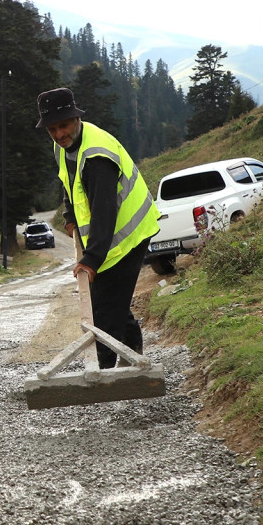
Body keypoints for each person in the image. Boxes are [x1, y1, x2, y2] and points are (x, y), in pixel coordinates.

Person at [37, 87, 160, 369]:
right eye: (52, 129)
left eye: (64, 126)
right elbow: (70, 184)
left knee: (102, 308)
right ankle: (133, 357)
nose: (58, 134)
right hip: (107, 238)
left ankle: (102, 373)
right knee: (110, 300)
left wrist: (91, 260)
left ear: (76, 118)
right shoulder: (63, 146)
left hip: (129, 233)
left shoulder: (97, 156)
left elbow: (105, 214)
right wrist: (69, 216)